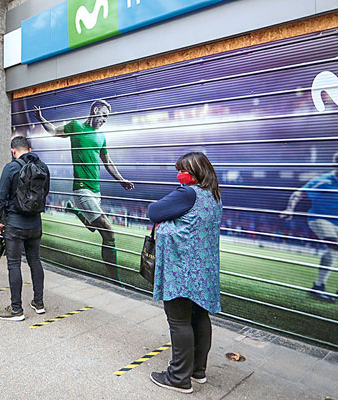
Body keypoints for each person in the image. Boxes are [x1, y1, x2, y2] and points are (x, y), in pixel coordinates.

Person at [33, 100, 134, 285]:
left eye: (107, 117)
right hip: (82, 189)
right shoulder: (76, 126)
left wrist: (121, 180)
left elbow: (107, 161)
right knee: (109, 233)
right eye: (103, 115)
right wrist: (41, 119)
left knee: (93, 226)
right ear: (95, 110)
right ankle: (116, 280)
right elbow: (54, 131)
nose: (105, 120)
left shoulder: (101, 137)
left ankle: (75, 211)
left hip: (96, 190)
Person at [147, 152, 222, 394]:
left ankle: (179, 377)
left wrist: (164, 224)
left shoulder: (187, 193)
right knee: (199, 317)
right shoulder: (214, 195)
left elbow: (154, 211)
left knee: (179, 321)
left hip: (181, 271)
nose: (180, 174)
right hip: (203, 271)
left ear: (196, 173)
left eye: (184, 170)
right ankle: (197, 371)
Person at [280, 150, 338, 302]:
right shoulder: (323, 181)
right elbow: (299, 193)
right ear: (335, 165)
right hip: (318, 219)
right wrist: (290, 208)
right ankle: (318, 287)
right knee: (334, 247)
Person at [0, 136, 50, 321]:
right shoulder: (43, 167)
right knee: (35, 261)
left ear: (13, 151)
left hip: (15, 224)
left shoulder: (11, 168)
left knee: (14, 264)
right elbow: (45, 193)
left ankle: (16, 309)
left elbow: (0, 197)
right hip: (35, 224)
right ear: (30, 149)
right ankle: (38, 303)